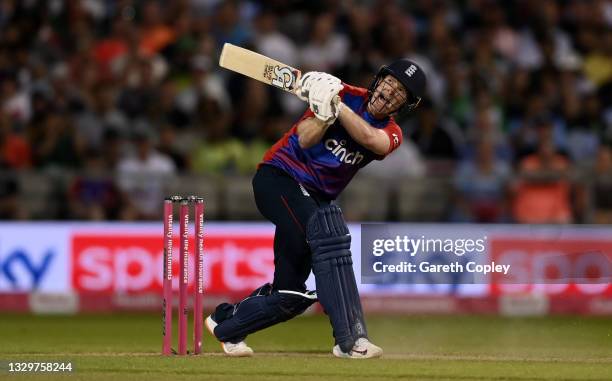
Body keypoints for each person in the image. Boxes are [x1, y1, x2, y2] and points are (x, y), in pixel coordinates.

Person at [205, 60, 426, 359]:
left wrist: (336, 107)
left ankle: (226, 323)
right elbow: (305, 139)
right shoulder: (343, 92)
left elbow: (373, 141)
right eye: (389, 82)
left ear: (406, 104)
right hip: (279, 178)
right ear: (378, 80)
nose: (391, 91)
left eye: (400, 91)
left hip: (315, 199)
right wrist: (323, 114)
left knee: (289, 295)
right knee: (327, 234)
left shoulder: (390, 130)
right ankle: (350, 340)